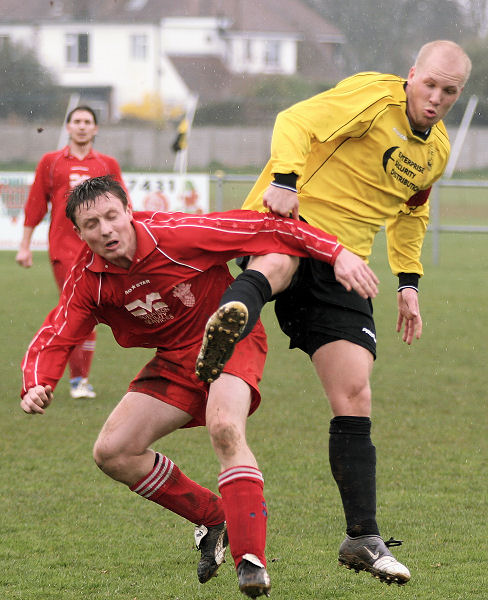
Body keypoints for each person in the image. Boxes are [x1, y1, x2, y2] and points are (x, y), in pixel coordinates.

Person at [19, 175, 379, 598]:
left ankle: (252, 560)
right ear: (78, 233)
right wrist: (37, 381)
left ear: (128, 210)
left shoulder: (176, 235)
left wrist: (335, 252)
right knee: (113, 452)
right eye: (92, 224)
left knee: (224, 426)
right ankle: (215, 516)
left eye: (112, 216)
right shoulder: (88, 278)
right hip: (175, 360)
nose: (106, 230)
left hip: (230, 339)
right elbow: (59, 330)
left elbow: (266, 228)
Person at [195, 40, 472, 586]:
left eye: (450, 92)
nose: (436, 98)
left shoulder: (436, 150)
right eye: (430, 84)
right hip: (290, 225)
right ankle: (232, 313)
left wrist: (409, 282)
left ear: (458, 95)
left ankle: (362, 537)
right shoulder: (372, 96)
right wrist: (284, 181)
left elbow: (413, 213)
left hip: (345, 266)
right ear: (411, 73)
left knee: (354, 392)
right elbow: (295, 119)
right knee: (277, 261)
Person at [16, 106, 128, 400]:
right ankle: (78, 380)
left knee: (96, 312)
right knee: (79, 311)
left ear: (96, 129)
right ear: (67, 127)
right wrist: (25, 245)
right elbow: (36, 205)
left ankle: (77, 377)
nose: (81, 126)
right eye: (76, 121)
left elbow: (123, 205)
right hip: (65, 252)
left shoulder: (107, 163)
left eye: (87, 122)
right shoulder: (51, 162)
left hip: (102, 250)